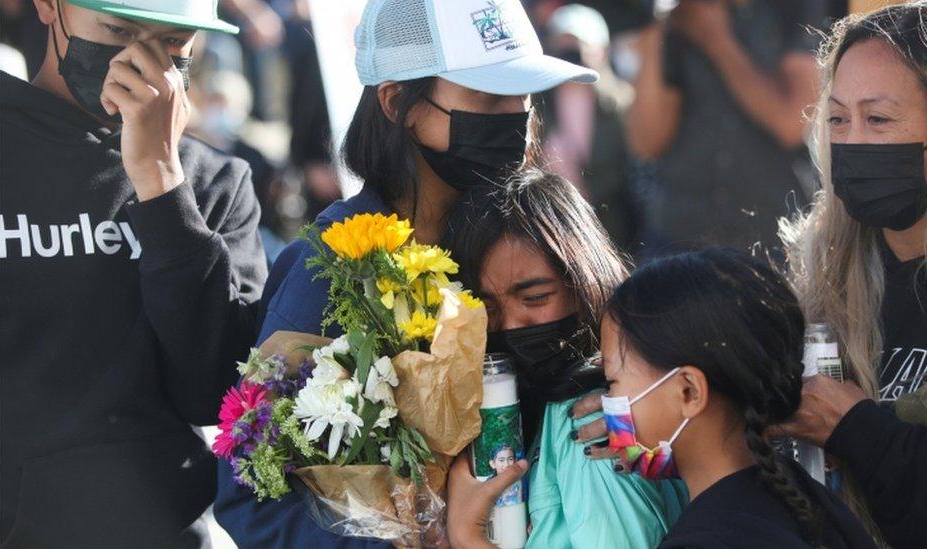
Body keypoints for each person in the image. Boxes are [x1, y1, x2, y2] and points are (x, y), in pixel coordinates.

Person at [212, 1, 598, 546]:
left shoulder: (521, 243)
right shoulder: (332, 266)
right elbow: (250, 496)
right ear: (398, 103)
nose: (514, 122)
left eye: (524, 99)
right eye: (488, 99)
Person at [0, 0, 266, 546]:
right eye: (117, 28)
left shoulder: (214, 182)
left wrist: (161, 181)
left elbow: (213, 391)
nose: (137, 61)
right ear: (50, 7)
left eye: (171, 42)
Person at [450, 248, 877, 549]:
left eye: (614, 383)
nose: (607, 404)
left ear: (689, 392)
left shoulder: (707, 539)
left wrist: (472, 540)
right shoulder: (805, 496)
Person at [777, 3, 927, 547]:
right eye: (838, 119)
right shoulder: (818, 274)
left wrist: (862, 430)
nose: (852, 142)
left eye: (879, 119)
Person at [443, 169, 686, 549]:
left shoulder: (589, 422)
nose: (509, 325)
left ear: (584, 283)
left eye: (535, 298)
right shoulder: (525, 416)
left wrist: (467, 537)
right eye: (485, 306)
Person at [626, 0, 826, 254]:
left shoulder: (798, 9)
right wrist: (653, 29)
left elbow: (791, 125)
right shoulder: (679, 15)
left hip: (773, 243)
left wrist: (717, 40)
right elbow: (645, 143)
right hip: (678, 242)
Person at [538, 4, 639, 253]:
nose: (570, 53)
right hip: (553, 238)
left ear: (602, 51)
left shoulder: (624, 106)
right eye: (562, 45)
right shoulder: (533, 106)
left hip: (616, 239)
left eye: (579, 45)